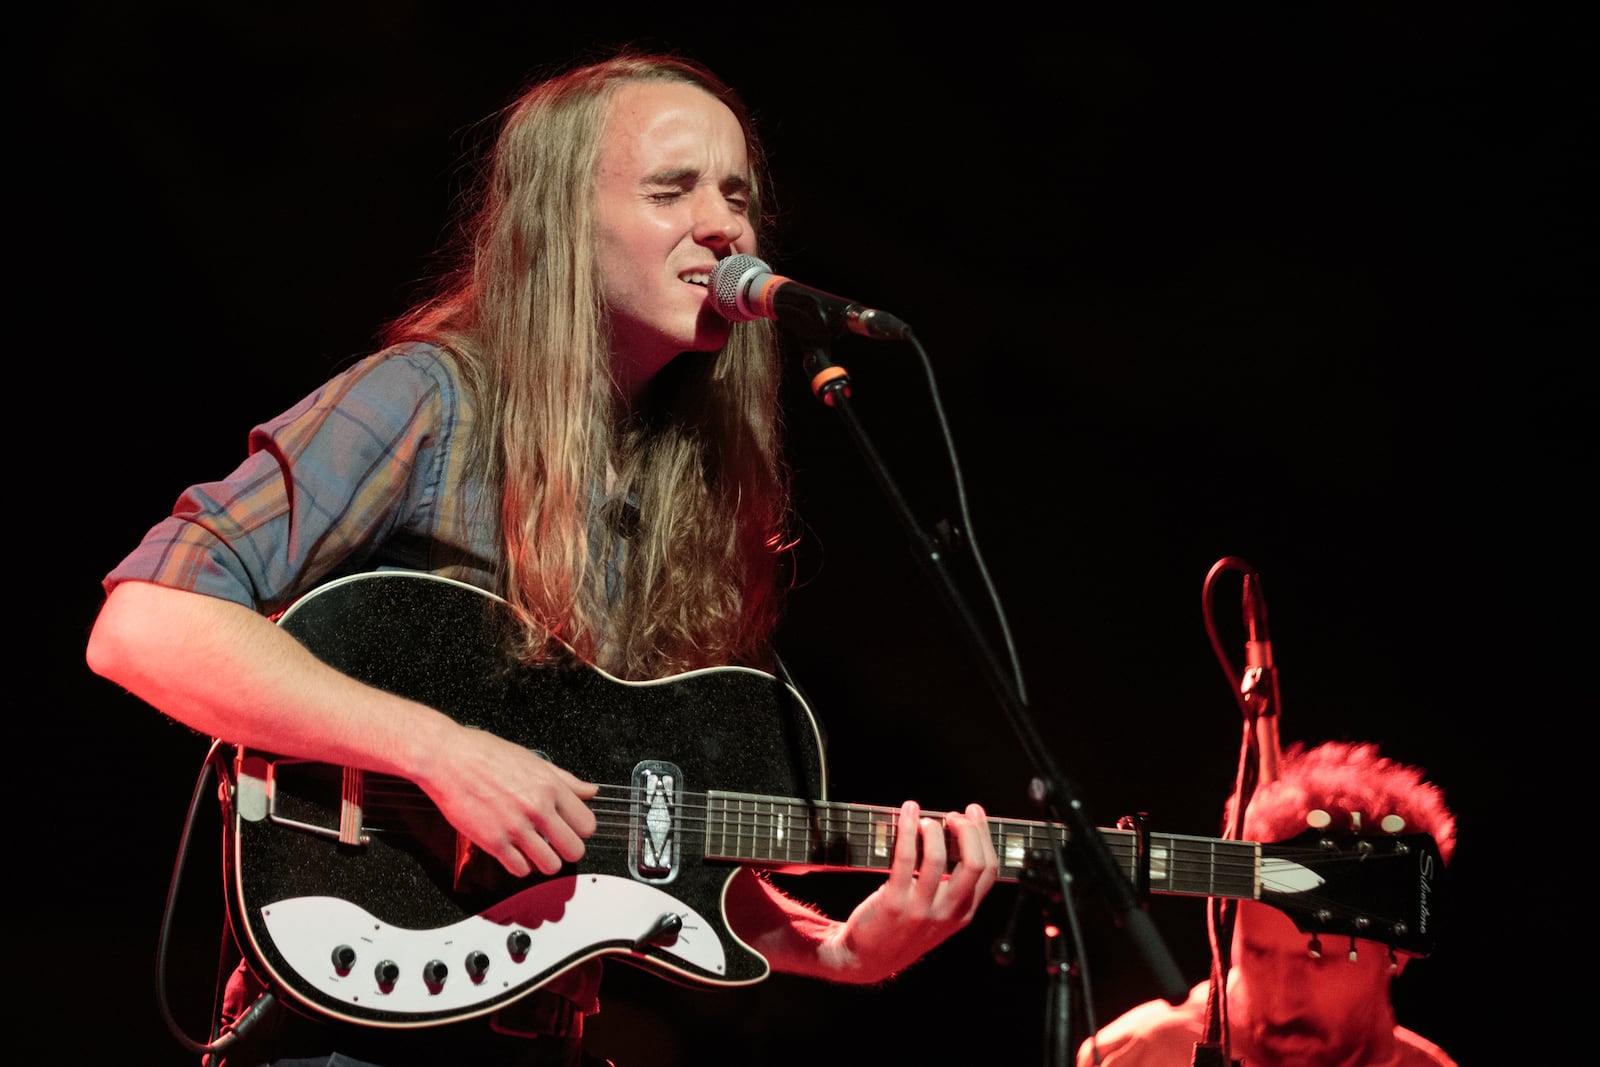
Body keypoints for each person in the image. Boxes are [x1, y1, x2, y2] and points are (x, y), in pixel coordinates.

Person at [86, 49, 999, 1067]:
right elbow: (144, 620)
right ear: (560, 228)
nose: (724, 223)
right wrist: (442, 750)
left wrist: (838, 950)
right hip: (343, 1027)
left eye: (736, 193)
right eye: (672, 189)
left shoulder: (691, 479)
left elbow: (637, 828)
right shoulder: (430, 398)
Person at [1075, 741, 1458, 1067]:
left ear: (1402, 950)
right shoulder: (1143, 1054)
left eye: (1316, 957)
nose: (1280, 1004)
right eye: (1256, 952)